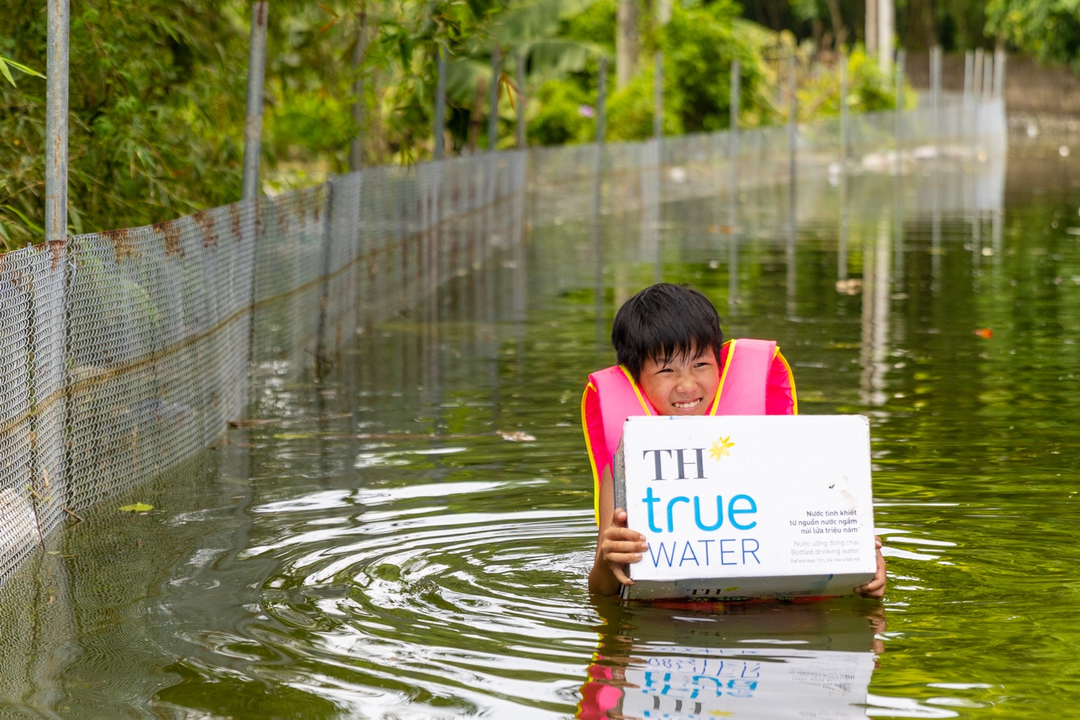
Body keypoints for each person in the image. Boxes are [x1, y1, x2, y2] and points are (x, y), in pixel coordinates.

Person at [582, 282, 887, 599]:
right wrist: (607, 561)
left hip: (769, 610)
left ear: (720, 363)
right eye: (666, 370)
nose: (687, 385)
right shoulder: (626, 467)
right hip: (670, 619)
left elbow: (826, 548)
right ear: (636, 379)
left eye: (700, 364)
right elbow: (601, 591)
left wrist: (863, 562)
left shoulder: (782, 446)